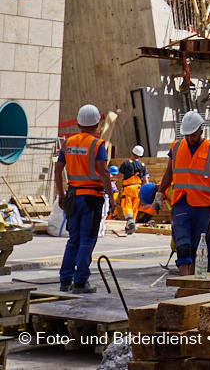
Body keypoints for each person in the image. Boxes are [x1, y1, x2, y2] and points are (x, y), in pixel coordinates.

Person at [156, 112, 210, 276]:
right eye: (187, 135)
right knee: (182, 245)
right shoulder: (176, 147)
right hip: (181, 201)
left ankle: (192, 281)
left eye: (194, 135)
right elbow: (169, 173)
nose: (190, 138)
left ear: (201, 130)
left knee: (197, 246)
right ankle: (185, 281)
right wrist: (160, 193)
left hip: (204, 205)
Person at [54, 104, 116, 293]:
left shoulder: (68, 143)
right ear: (97, 123)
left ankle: (65, 281)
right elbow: (104, 172)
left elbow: (58, 169)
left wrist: (61, 194)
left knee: (73, 240)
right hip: (91, 198)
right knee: (87, 240)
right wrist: (112, 199)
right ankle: (80, 282)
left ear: (79, 122)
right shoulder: (97, 145)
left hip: (73, 196)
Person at [118, 146, 149, 235]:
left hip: (128, 188)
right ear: (140, 156)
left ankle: (130, 222)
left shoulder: (126, 164)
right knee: (135, 208)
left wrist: (110, 177)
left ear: (132, 153)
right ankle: (129, 227)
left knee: (127, 205)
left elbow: (118, 176)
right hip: (138, 189)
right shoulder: (143, 166)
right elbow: (146, 180)